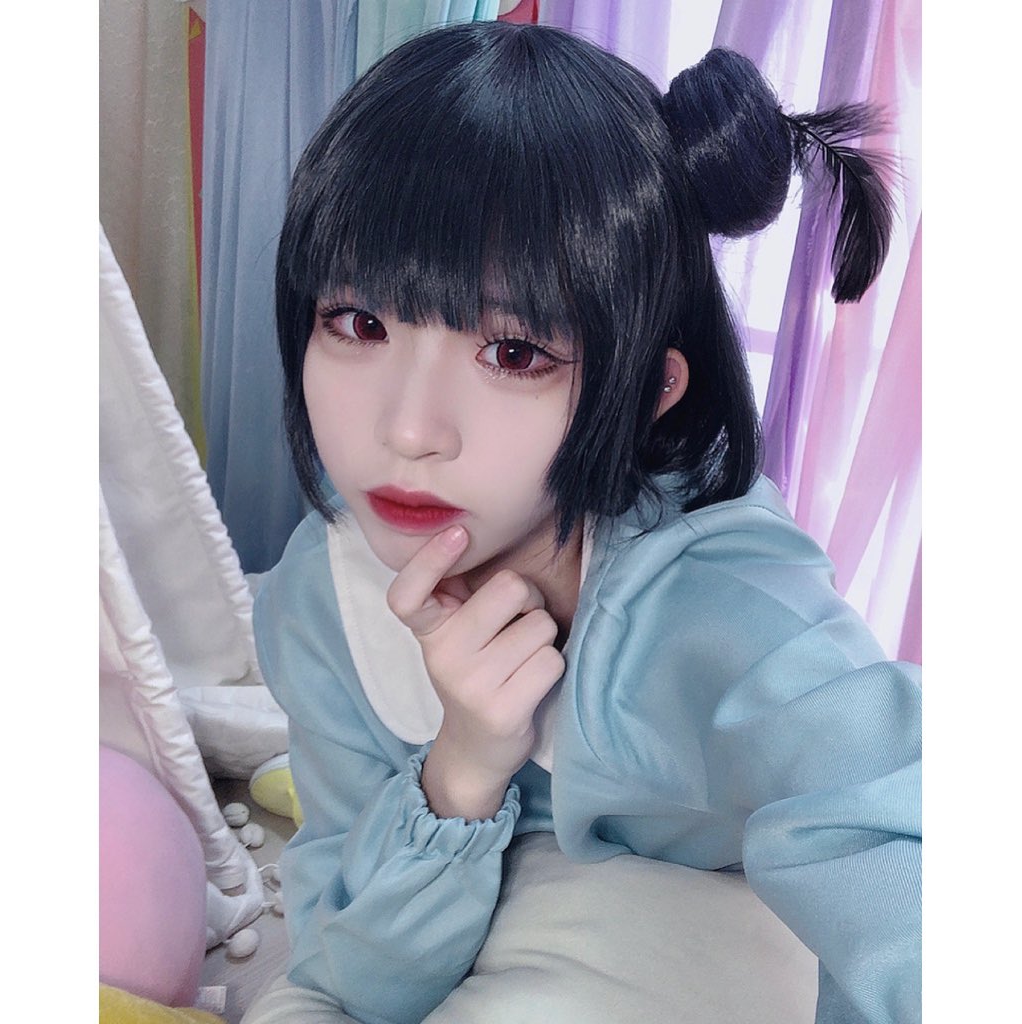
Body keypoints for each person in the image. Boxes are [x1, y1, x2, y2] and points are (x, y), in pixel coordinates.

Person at [249, 20, 920, 1024]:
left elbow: (904, 853)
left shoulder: (724, 598)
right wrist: (462, 766)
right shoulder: (320, 594)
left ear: (647, 390)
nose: (408, 430)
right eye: (359, 322)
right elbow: (345, 977)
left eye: (514, 352)